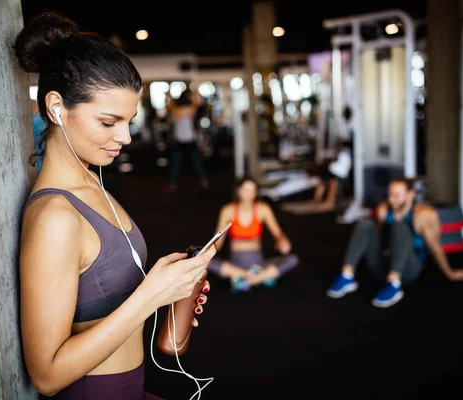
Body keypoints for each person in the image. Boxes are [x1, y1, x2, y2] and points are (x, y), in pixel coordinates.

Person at [15, 13, 216, 399]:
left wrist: (171, 288)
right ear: (56, 107)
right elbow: (47, 375)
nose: (124, 136)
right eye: (108, 122)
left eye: (128, 121)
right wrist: (148, 297)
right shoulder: (55, 216)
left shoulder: (91, 180)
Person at [327, 178, 463, 308]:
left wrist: (450, 273)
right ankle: (347, 276)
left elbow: (435, 247)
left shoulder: (424, 214)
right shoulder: (384, 210)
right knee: (366, 224)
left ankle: (394, 285)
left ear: (411, 195)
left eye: (396, 195)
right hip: (384, 265)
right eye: (390, 194)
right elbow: (377, 239)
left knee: (399, 226)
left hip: (409, 269)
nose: (391, 199)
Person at [209, 176, 299, 291]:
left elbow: (278, 234)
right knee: (203, 262)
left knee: (292, 259)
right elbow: (218, 241)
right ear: (238, 191)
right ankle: (259, 277)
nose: (249, 194)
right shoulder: (228, 210)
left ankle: (246, 280)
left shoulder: (263, 209)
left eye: (252, 190)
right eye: (246, 190)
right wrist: (206, 254)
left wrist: (283, 242)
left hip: (258, 263)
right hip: (234, 264)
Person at [163, 88, 210, 194]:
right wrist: (196, 91)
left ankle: (172, 183)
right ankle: (204, 180)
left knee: (177, 163)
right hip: (188, 140)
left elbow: (168, 104)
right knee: (194, 161)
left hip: (182, 140)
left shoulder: (176, 110)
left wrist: (168, 94)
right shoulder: (190, 109)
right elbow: (197, 102)